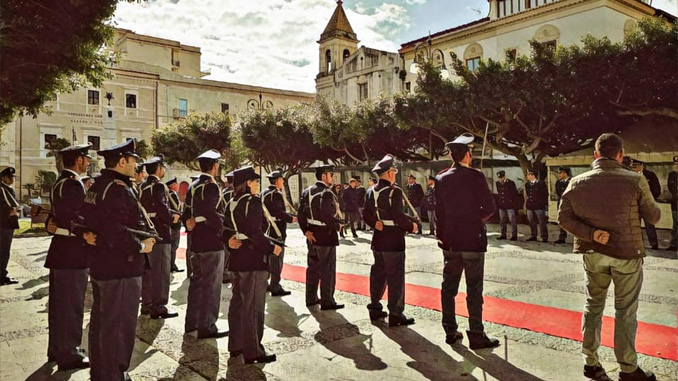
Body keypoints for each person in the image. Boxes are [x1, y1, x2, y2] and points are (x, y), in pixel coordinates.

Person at [558, 133, 660, 381]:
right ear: (621, 154)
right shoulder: (635, 180)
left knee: (593, 306)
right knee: (625, 311)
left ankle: (590, 362)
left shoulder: (577, 182)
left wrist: (591, 233)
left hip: (593, 252)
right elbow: (654, 217)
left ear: (595, 154)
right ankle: (627, 367)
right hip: (626, 253)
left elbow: (563, 218)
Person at [80, 139, 157, 381]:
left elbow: (86, 220)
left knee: (102, 323)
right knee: (119, 326)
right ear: (122, 161)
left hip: (102, 265)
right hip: (122, 266)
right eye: (134, 161)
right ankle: (113, 374)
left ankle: (101, 372)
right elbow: (115, 230)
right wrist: (141, 246)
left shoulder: (97, 185)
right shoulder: (117, 188)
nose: (136, 166)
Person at [435, 133, 499, 350]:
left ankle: (450, 331)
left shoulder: (441, 178)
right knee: (474, 288)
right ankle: (476, 334)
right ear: (467, 154)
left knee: (449, 288)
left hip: (451, 241)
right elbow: (490, 208)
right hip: (472, 239)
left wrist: (441, 236)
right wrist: (476, 220)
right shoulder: (476, 176)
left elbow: (439, 213)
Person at [224, 166, 282, 364]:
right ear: (248, 183)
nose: (258, 185)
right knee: (254, 307)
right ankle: (254, 350)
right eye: (256, 182)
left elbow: (224, 229)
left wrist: (228, 241)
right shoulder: (253, 201)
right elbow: (255, 232)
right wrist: (271, 248)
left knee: (238, 304)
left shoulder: (231, 202)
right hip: (253, 260)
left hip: (236, 260)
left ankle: (236, 345)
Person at [45, 143, 94, 370]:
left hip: (61, 250)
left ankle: (57, 348)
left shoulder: (60, 182)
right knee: (71, 304)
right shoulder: (73, 184)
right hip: (72, 251)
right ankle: (69, 353)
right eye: (86, 158)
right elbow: (75, 217)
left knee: (59, 305)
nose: (88, 162)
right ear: (79, 161)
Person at [363, 155, 418, 326]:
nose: (395, 173)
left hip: (378, 239)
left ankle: (375, 308)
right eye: (393, 170)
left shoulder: (371, 191)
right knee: (395, 277)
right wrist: (411, 227)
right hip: (393, 239)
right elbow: (397, 215)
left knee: (378, 275)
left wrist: (374, 224)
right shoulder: (395, 191)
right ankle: (395, 314)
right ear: (388, 173)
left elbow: (366, 214)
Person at [184, 150, 228, 339]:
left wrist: (188, 223)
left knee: (196, 283)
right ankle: (207, 326)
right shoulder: (211, 186)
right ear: (215, 166)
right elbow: (212, 213)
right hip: (211, 241)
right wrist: (223, 230)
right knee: (211, 285)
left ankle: (191, 323)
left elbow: (185, 211)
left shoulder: (193, 185)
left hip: (196, 241)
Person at [298, 164, 344, 311]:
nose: (332, 177)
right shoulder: (326, 193)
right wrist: (337, 226)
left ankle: (311, 298)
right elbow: (326, 215)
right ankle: (327, 300)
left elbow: (300, 214)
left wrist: (305, 231)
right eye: (331, 175)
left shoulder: (307, 191)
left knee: (312, 268)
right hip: (325, 235)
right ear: (324, 176)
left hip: (311, 234)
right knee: (327, 270)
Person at [139, 155, 180, 319]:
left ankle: (147, 304)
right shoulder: (158, 187)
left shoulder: (142, 186)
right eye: (162, 167)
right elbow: (162, 207)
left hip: (146, 233)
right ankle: (159, 306)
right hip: (160, 234)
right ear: (158, 169)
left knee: (148, 272)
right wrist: (172, 218)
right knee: (161, 272)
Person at [261, 170, 296, 296]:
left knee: (267, 258)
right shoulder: (275, 194)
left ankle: (265, 283)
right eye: (282, 179)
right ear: (277, 181)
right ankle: (275, 286)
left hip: (266, 228)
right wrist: (291, 218)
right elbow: (278, 212)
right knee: (277, 258)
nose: (283, 181)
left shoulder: (264, 192)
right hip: (276, 229)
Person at [630, 159, 661, 250]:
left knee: (650, 225)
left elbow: (656, 188)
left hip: (646, 204)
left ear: (641, 165)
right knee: (636, 226)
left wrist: (651, 200)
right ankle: (639, 244)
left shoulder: (650, 175)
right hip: (635, 204)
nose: (634, 168)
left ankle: (654, 244)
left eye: (636, 166)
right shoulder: (630, 176)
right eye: (633, 166)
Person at [0, 166, 20, 286]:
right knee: (3, 251)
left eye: (13, 177)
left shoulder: (7, 188)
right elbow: (9, 205)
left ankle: (2, 273)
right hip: (4, 224)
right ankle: (1, 276)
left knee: (4, 251)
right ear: (3, 177)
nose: (12, 179)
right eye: (9, 177)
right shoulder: (2, 189)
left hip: (8, 224)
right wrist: (10, 211)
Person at [182, 174, 201, 277]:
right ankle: (191, 271)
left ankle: (190, 271)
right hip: (195, 227)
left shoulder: (189, 198)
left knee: (190, 249)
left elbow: (185, 213)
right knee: (192, 250)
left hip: (191, 227)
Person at [525, 170, 549, 242]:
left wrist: (543, 203)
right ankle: (533, 235)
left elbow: (545, 194)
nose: (527, 176)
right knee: (531, 221)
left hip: (539, 205)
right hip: (530, 205)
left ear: (533, 175)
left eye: (529, 175)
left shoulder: (541, 183)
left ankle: (544, 236)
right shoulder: (527, 184)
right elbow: (528, 194)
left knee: (542, 222)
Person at [166, 177, 184, 273]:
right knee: (173, 245)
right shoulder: (172, 194)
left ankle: (171, 264)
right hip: (174, 223)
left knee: (173, 246)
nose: (177, 186)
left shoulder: (170, 194)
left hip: (174, 223)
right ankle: (171, 265)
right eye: (176, 184)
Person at [495, 171, 518, 241]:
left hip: (509, 204)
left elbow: (515, 193)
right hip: (502, 204)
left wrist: (513, 203)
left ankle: (514, 235)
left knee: (512, 220)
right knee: (502, 220)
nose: (500, 179)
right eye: (499, 178)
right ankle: (503, 234)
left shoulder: (510, 183)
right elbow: (499, 193)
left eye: (501, 177)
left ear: (504, 176)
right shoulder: (498, 183)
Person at [221, 171, 234, 284]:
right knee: (229, 251)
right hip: (231, 224)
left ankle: (224, 272)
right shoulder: (231, 194)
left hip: (224, 223)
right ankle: (226, 273)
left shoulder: (223, 192)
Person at [554, 167, 572, 244]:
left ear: (565, 173)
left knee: (574, 220)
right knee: (561, 219)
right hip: (561, 202)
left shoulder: (571, 181)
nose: (559, 174)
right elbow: (558, 192)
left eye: (560, 173)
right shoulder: (558, 182)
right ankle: (562, 237)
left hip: (571, 203)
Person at [669, 155, 678, 251]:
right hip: (676, 204)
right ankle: (674, 244)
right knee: (675, 224)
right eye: (675, 163)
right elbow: (671, 187)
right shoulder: (672, 175)